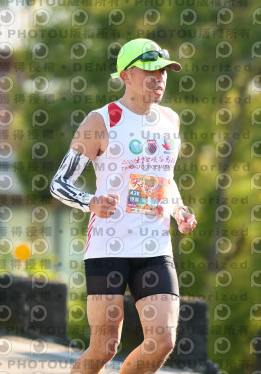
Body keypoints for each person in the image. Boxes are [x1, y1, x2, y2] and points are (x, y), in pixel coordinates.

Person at [50, 38, 197, 374]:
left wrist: (179, 211)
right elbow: (59, 183)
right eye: (150, 72)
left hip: (154, 246)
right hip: (108, 246)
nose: (159, 78)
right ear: (126, 76)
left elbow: (164, 179)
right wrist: (90, 202)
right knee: (104, 347)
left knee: (163, 341)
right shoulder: (101, 121)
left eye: (163, 72)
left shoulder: (170, 120)